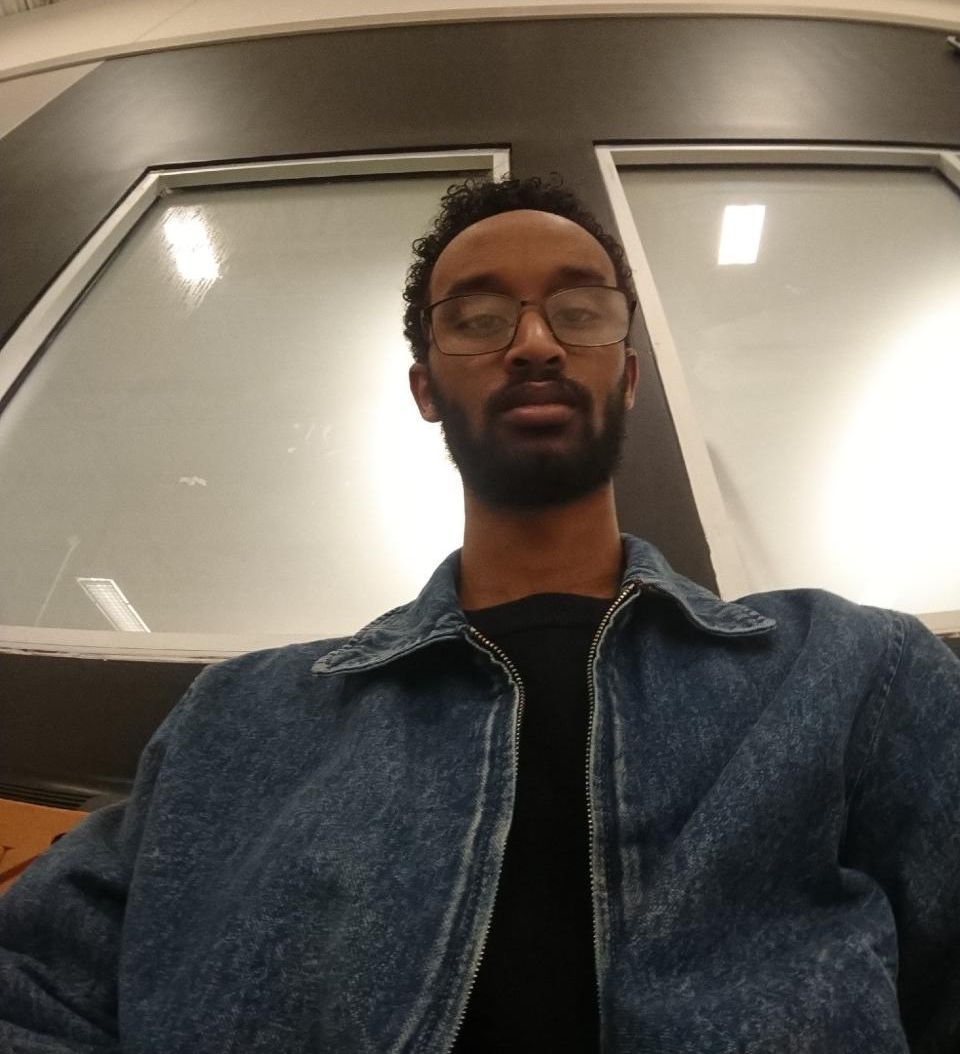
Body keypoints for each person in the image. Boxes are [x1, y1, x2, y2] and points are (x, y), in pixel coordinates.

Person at [1, 175, 959, 1054]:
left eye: (579, 311)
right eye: (479, 319)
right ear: (426, 388)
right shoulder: (237, 721)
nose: (535, 343)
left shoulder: (850, 671)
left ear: (627, 376)